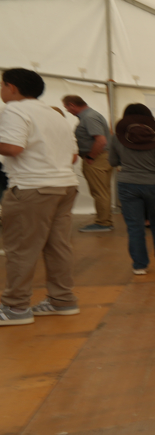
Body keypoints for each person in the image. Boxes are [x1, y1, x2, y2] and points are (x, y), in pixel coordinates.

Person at [0, 68, 80, 325]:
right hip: (65, 186)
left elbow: (12, 148)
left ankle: (15, 307)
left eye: (2, 86)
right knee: (58, 246)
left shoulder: (14, 110)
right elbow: (73, 155)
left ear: (12, 87)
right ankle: (63, 300)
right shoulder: (54, 115)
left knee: (22, 248)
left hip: (32, 188)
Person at [110, 104, 155, 274]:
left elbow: (112, 162)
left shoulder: (116, 137)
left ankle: (139, 266)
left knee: (134, 226)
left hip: (126, 186)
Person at [63, 95, 113, 232]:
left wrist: (91, 156)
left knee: (100, 192)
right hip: (103, 157)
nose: (67, 110)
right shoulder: (91, 116)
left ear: (72, 105)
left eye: (66, 107)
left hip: (98, 158)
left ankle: (103, 223)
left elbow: (101, 140)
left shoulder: (89, 117)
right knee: (104, 191)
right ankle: (105, 220)